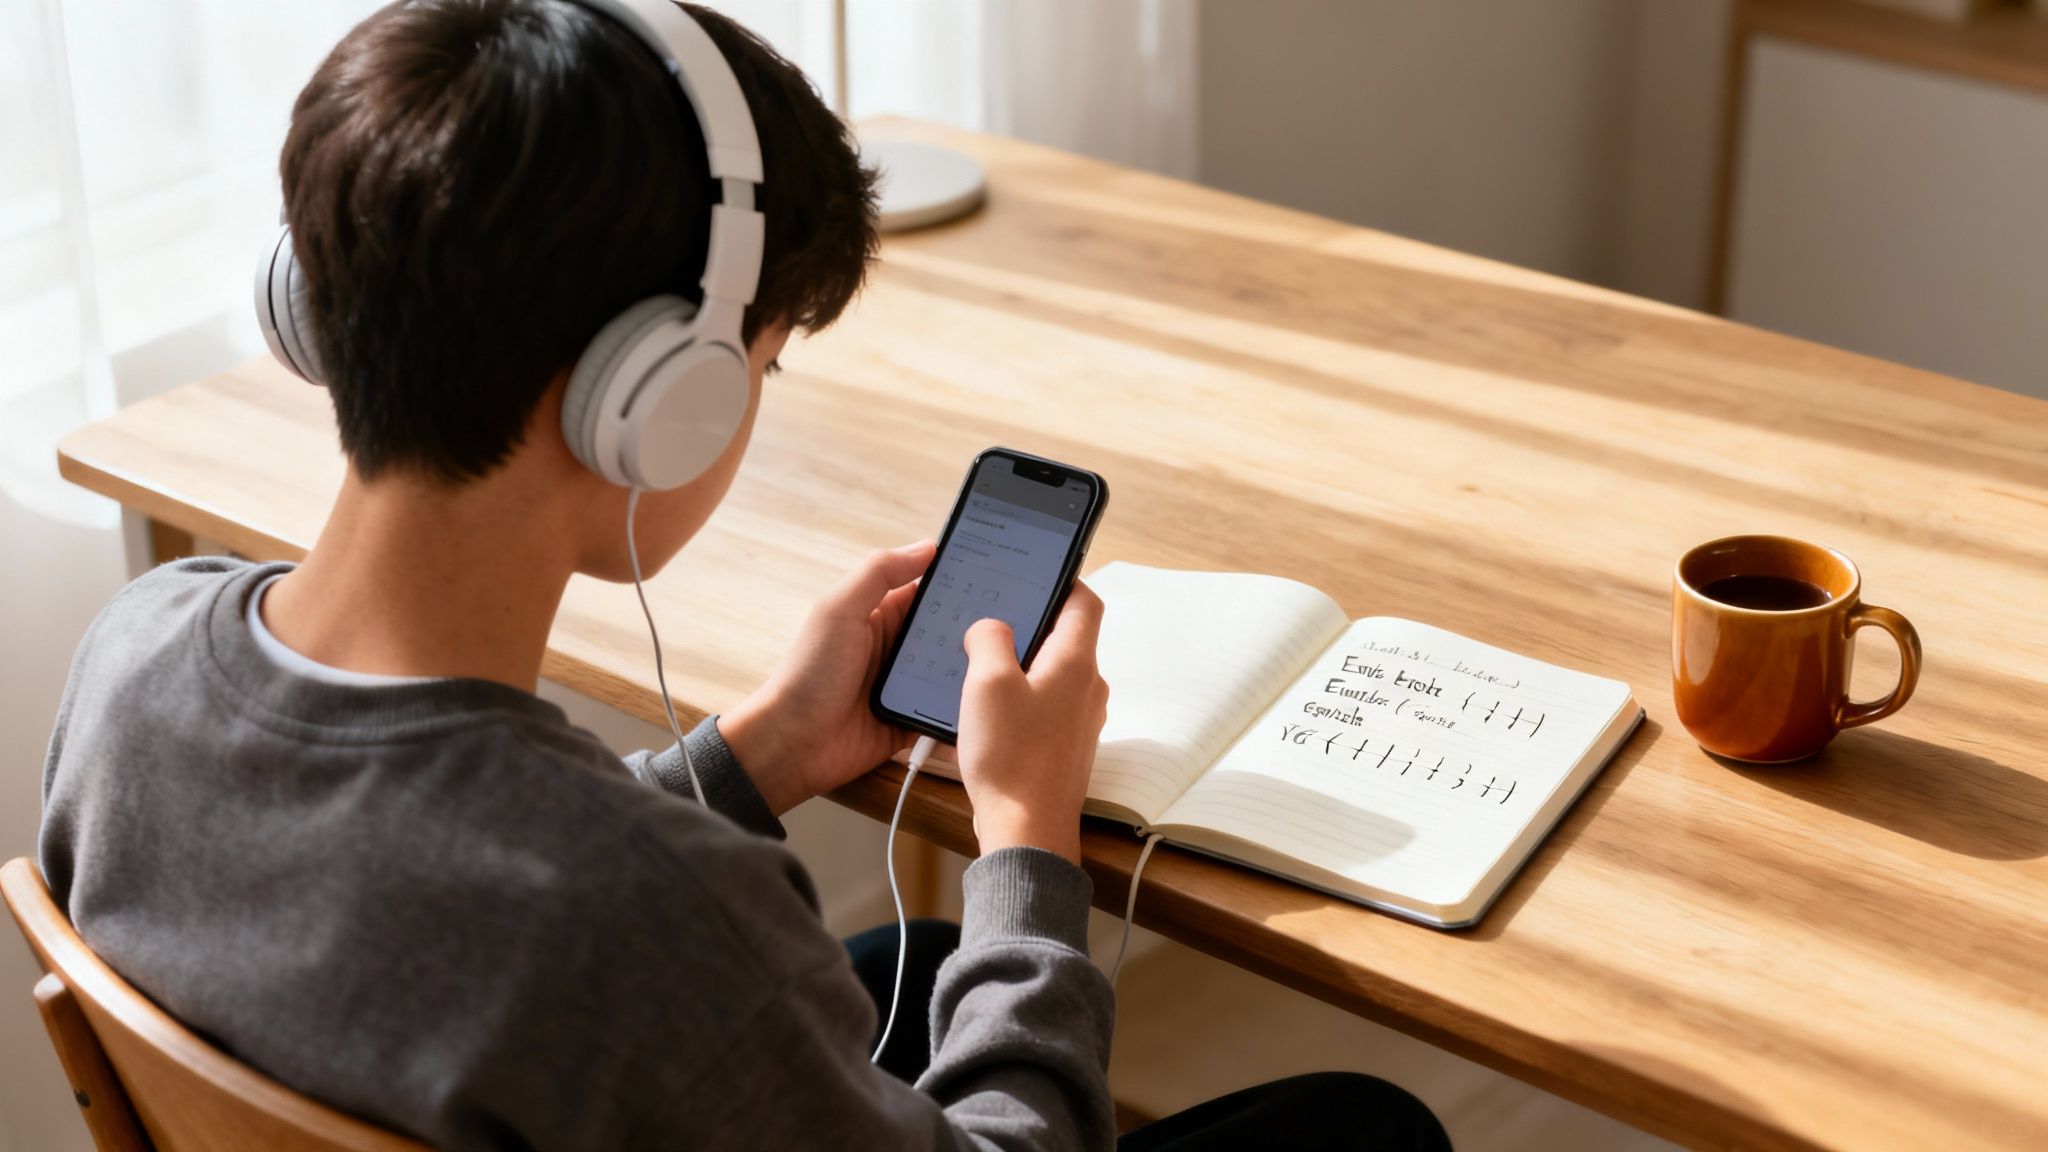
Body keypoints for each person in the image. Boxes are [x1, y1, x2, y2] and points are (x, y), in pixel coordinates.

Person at [38, 2, 1450, 1148]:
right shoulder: (650, 919)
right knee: (1359, 1124)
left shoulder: (132, 651)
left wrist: (762, 752)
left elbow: (430, 889)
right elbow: (593, 917)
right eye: (757, 368)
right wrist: (1026, 842)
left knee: (901, 981)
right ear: (654, 398)